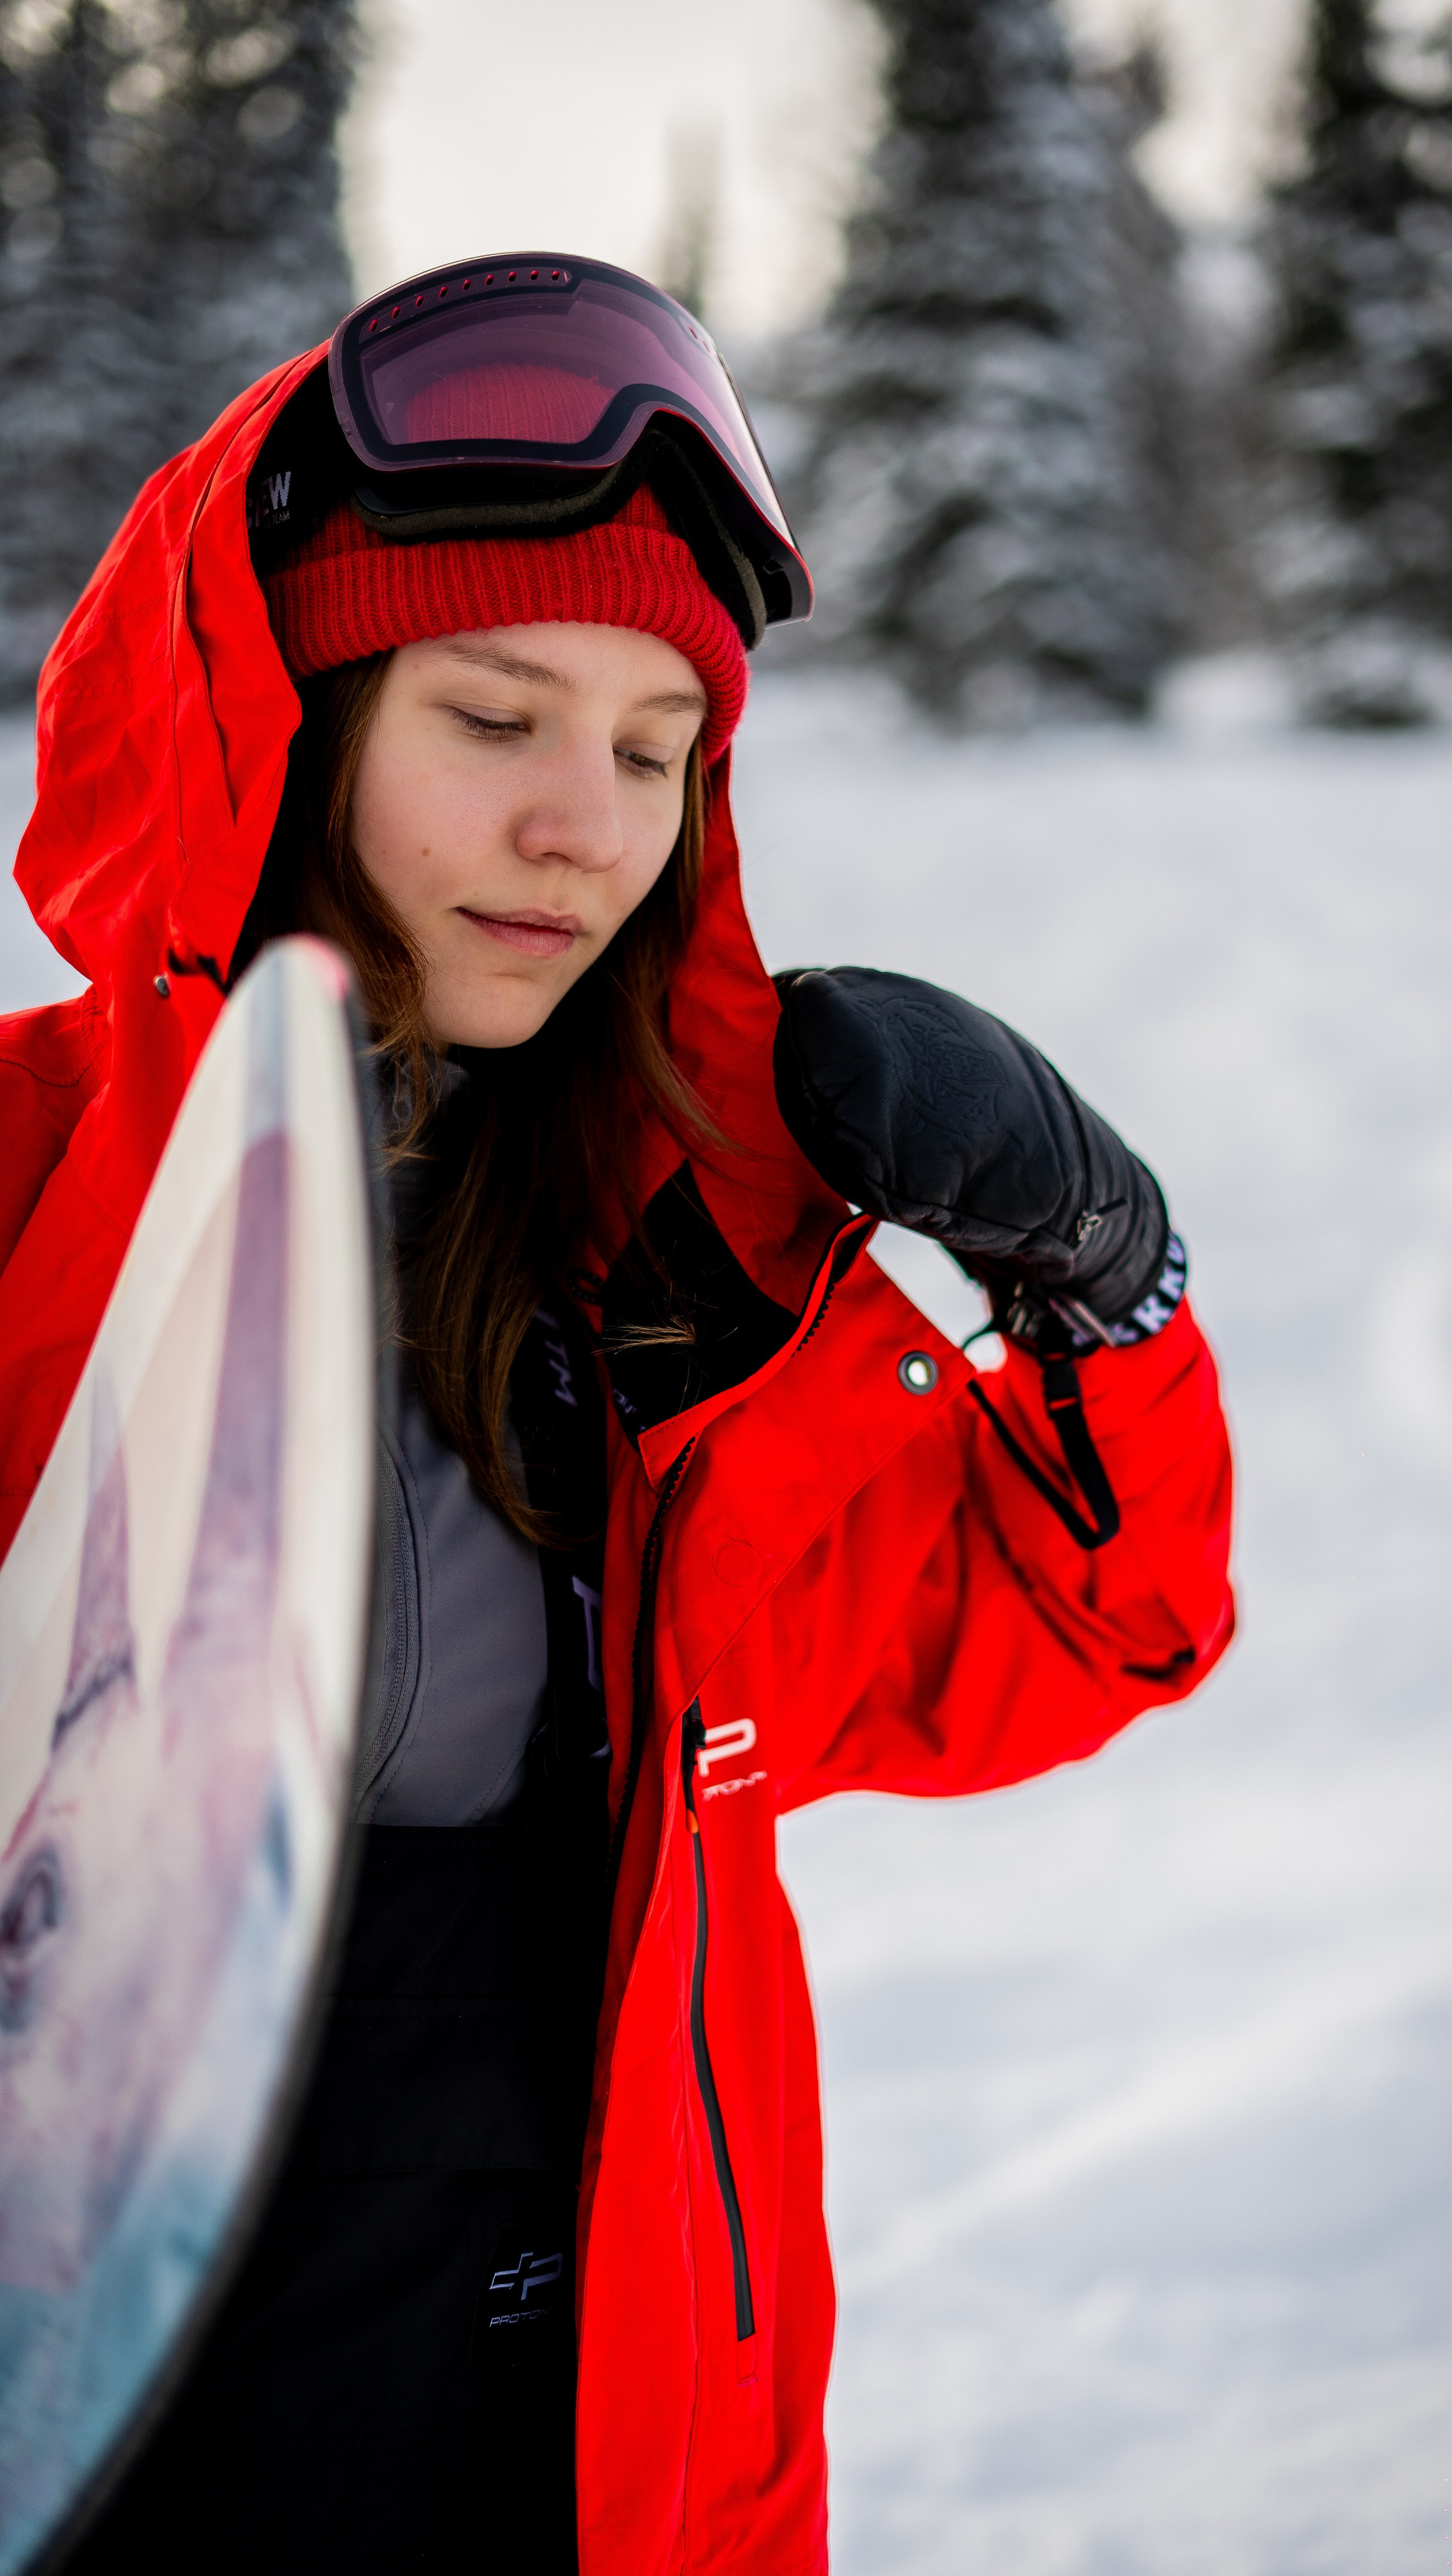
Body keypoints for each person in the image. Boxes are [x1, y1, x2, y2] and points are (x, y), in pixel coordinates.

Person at [0, 255, 1235, 2574]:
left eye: (658, 751)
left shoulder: (673, 1293)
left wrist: (1103, 1279)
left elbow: (1092, 1627)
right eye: (496, 716)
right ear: (283, 721)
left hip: (598, 2467)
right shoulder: (25, 1192)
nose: (588, 824)